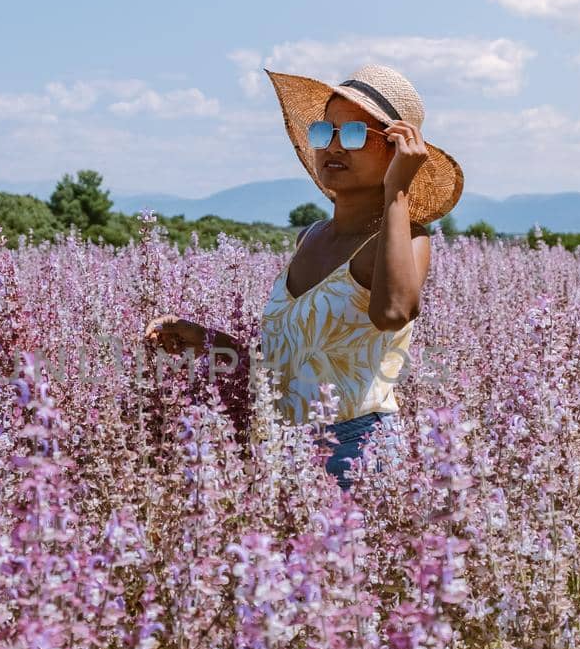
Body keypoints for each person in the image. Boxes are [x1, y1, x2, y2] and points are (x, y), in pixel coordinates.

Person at [143, 62, 463, 490]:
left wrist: (397, 192)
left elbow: (395, 311)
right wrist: (204, 338)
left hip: (360, 449)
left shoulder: (409, 239)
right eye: (324, 132)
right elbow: (289, 356)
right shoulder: (309, 237)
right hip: (286, 451)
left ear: (395, 150)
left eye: (353, 135)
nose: (333, 146)